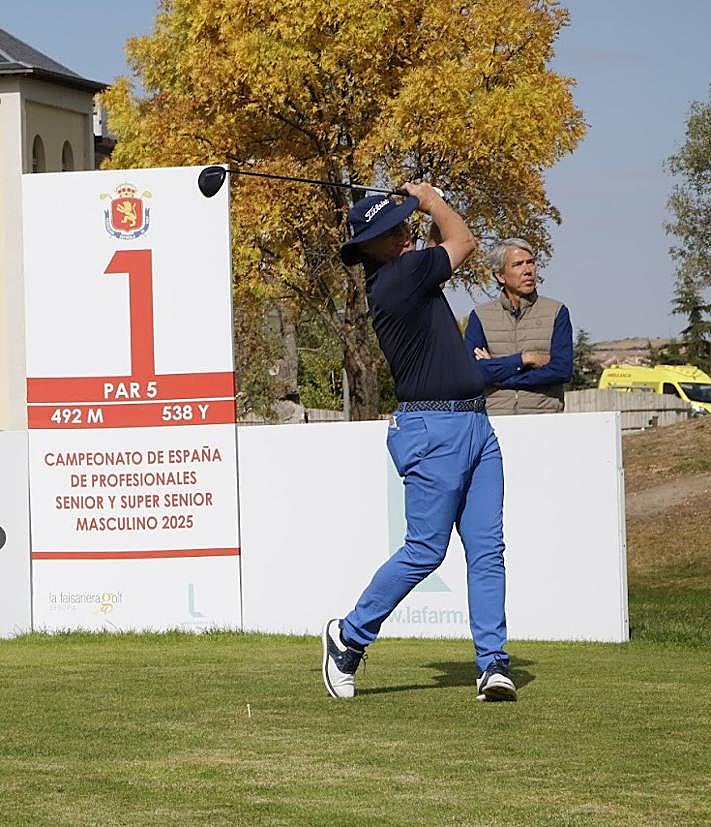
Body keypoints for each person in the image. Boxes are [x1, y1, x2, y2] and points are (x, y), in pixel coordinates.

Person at [322, 183, 517, 703]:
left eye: (405, 225)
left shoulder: (408, 274)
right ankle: (348, 637)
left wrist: (422, 215)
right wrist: (429, 197)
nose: (405, 233)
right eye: (393, 231)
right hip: (433, 430)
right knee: (425, 551)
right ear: (370, 246)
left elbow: (440, 244)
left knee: (486, 549)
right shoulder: (399, 278)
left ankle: (492, 664)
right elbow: (464, 240)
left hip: (474, 426)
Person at [464, 238, 573, 415]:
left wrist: (499, 374)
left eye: (531, 263)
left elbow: (561, 370)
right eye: (518, 264)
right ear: (500, 276)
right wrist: (525, 358)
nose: (528, 270)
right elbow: (473, 373)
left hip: (544, 418)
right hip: (495, 420)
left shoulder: (556, 312)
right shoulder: (481, 316)